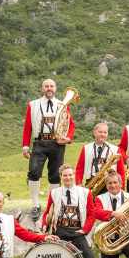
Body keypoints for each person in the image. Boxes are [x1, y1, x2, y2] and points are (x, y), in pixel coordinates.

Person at [42, 165, 125, 258]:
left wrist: (85, 230)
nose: (68, 177)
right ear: (61, 177)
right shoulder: (54, 193)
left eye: (70, 175)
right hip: (59, 231)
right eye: (65, 175)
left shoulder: (85, 192)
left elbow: (91, 214)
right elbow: (47, 211)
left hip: (78, 231)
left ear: (74, 175)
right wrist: (44, 224)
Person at [22, 78, 75, 218]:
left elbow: (71, 125)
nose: (49, 88)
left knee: (55, 175)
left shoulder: (62, 104)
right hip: (39, 142)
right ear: (42, 88)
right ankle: (35, 205)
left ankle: (54, 205)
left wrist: (68, 138)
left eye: (51, 86)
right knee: (33, 172)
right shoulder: (32, 105)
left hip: (57, 143)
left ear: (55, 88)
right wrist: (25, 146)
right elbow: (28, 126)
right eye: (46, 86)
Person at [75, 122, 125, 191]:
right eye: (100, 132)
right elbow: (79, 169)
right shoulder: (86, 148)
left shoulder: (115, 149)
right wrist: (78, 184)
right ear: (94, 132)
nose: (102, 134)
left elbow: (121, 171)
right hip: (91, 183)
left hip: (110, 183)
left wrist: (121, 187)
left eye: (105, 132)